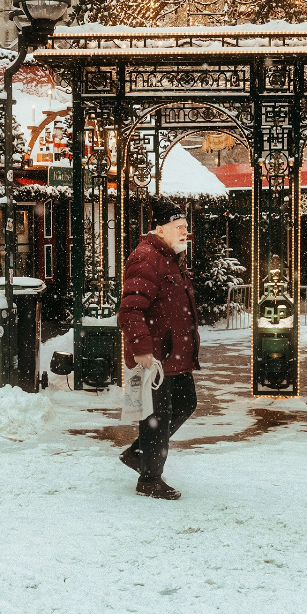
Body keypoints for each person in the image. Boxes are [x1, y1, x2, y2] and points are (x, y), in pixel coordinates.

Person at [116, 199, 200, 500]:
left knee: (185, 403)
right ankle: (150, 479)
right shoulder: (146, 258)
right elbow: (130, 310)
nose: (184, 233)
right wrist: (141, 349)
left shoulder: (172, 258)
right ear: (160, 229)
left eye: (186, 229)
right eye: (179, 228)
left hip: (175, 354)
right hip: (155, 358)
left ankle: (140, 452)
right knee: (157, 417)